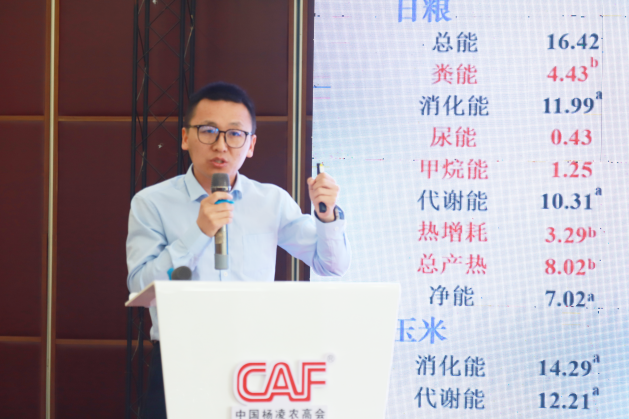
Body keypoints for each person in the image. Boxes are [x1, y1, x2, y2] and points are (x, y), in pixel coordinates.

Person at [126, 82, 350, 418]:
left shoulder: (270, 201)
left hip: (254, 360)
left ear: (251, 145)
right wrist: (199, 232)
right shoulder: (151, 203)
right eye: (208, 131)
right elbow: (140, 286)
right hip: (181, 358)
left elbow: (332, 265)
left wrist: (326, 215)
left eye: (234, 134)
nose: (221, 145)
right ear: (186, 137)